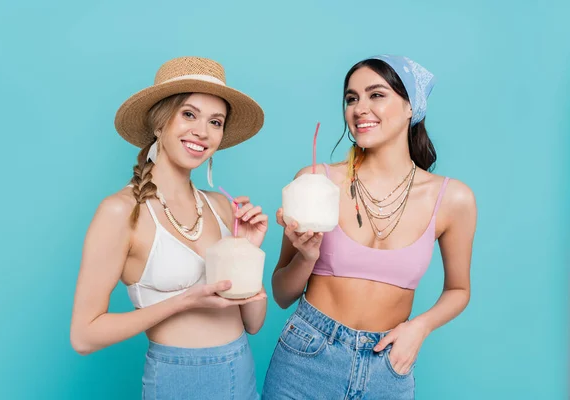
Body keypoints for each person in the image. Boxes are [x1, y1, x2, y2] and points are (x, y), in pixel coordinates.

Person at [263, 55, 477, 399]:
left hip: (387, 364)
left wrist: (418, 328)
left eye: (376, 95)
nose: (360, 107)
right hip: (306, 355)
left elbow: (459, 290)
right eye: (351, 98)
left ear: (411, 107)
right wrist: (306, 257)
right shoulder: (316, 180)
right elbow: (282, 294)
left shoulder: (452, 199)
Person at [70, 56, 268, 400]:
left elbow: (253, 323)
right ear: (159, 124)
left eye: (215, 121)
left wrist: (249, 252)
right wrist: (183, 302)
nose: (202, 132)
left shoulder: (222, 207)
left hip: (241, 369)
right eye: (189, 114)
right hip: (179, 379)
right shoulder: (120, 212)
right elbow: (84, 337)